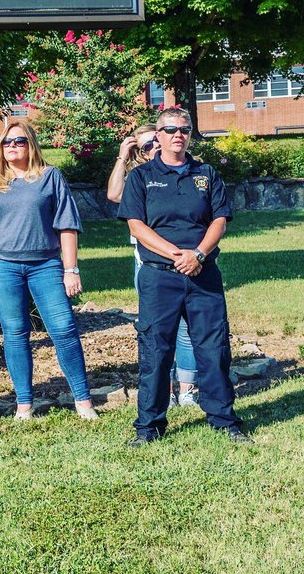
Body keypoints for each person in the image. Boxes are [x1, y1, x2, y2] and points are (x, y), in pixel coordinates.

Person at [117, 107, 250, 446]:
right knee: (155, 351)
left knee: (214, 348)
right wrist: (176, 255)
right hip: (160, 276)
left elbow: (219, 220)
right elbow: (137, 225)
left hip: (203, 274)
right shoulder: (142, 176)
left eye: (185, 129)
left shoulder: (205, 174)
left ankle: (224, 420)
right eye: (171, 129)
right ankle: (149, 427)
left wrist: (199, 254)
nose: (178, 135)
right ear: (157, 136)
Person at [0, 120, 97, 421]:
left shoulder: (49, 176)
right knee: (15, 334)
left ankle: (83, 400)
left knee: (63, 329)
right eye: (6, 142)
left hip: (46, 265)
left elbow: (67, 224)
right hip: (5, 266)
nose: (12, 146)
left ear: (31, 144)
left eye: (19, 141)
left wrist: (71, 269)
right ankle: (24, 405)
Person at [107, 124, 200, 407]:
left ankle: (187, 389)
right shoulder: (139, 180)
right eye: (147, 146)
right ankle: (165, 389)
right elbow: (113, 195)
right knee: (158, 328)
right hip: (150, 265)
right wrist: (123, 156)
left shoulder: (188, 174)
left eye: (156, 143)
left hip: (189, 262)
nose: (155, 149)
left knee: (187, 328)